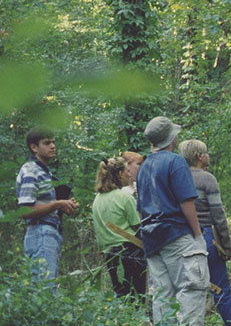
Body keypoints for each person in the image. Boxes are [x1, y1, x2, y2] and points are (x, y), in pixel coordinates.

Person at [137, 117, 210, 326]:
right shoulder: (175, 162)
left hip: (152, 241)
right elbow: (186, 202)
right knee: (191, 291)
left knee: (162, 297)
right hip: (177, 236)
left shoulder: (144, 165)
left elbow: (141, 206)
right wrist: (198, 235)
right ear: (172, 138)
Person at [179, 139, 231, 326]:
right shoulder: (207, 180)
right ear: (199, 156)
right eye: (207, 153)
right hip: (207, 238)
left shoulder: (176, 178)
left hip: (182, 240)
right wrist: (228, 247)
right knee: (221, 292)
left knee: (187, 291)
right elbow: (218, 216)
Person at [16, 127, 79, 283]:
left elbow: (43, 205)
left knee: (46, 287)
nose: (53, 146)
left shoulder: (44, 172)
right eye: (47, 143)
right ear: (34, 147)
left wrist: (64, 205)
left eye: (53, 142)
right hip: (40, 232)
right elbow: (25, 210)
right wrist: (57, 204)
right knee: (44, 289)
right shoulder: (31, 170)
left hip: (49, 232)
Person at [91, 156, 147, 303]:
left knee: (121, 294)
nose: (130, 175)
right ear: (120, 174)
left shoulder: (97, 199)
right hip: (130, 251)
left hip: (109, 254)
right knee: (137, 296)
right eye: (127, 171)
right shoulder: (124, 197)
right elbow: (137, 226)